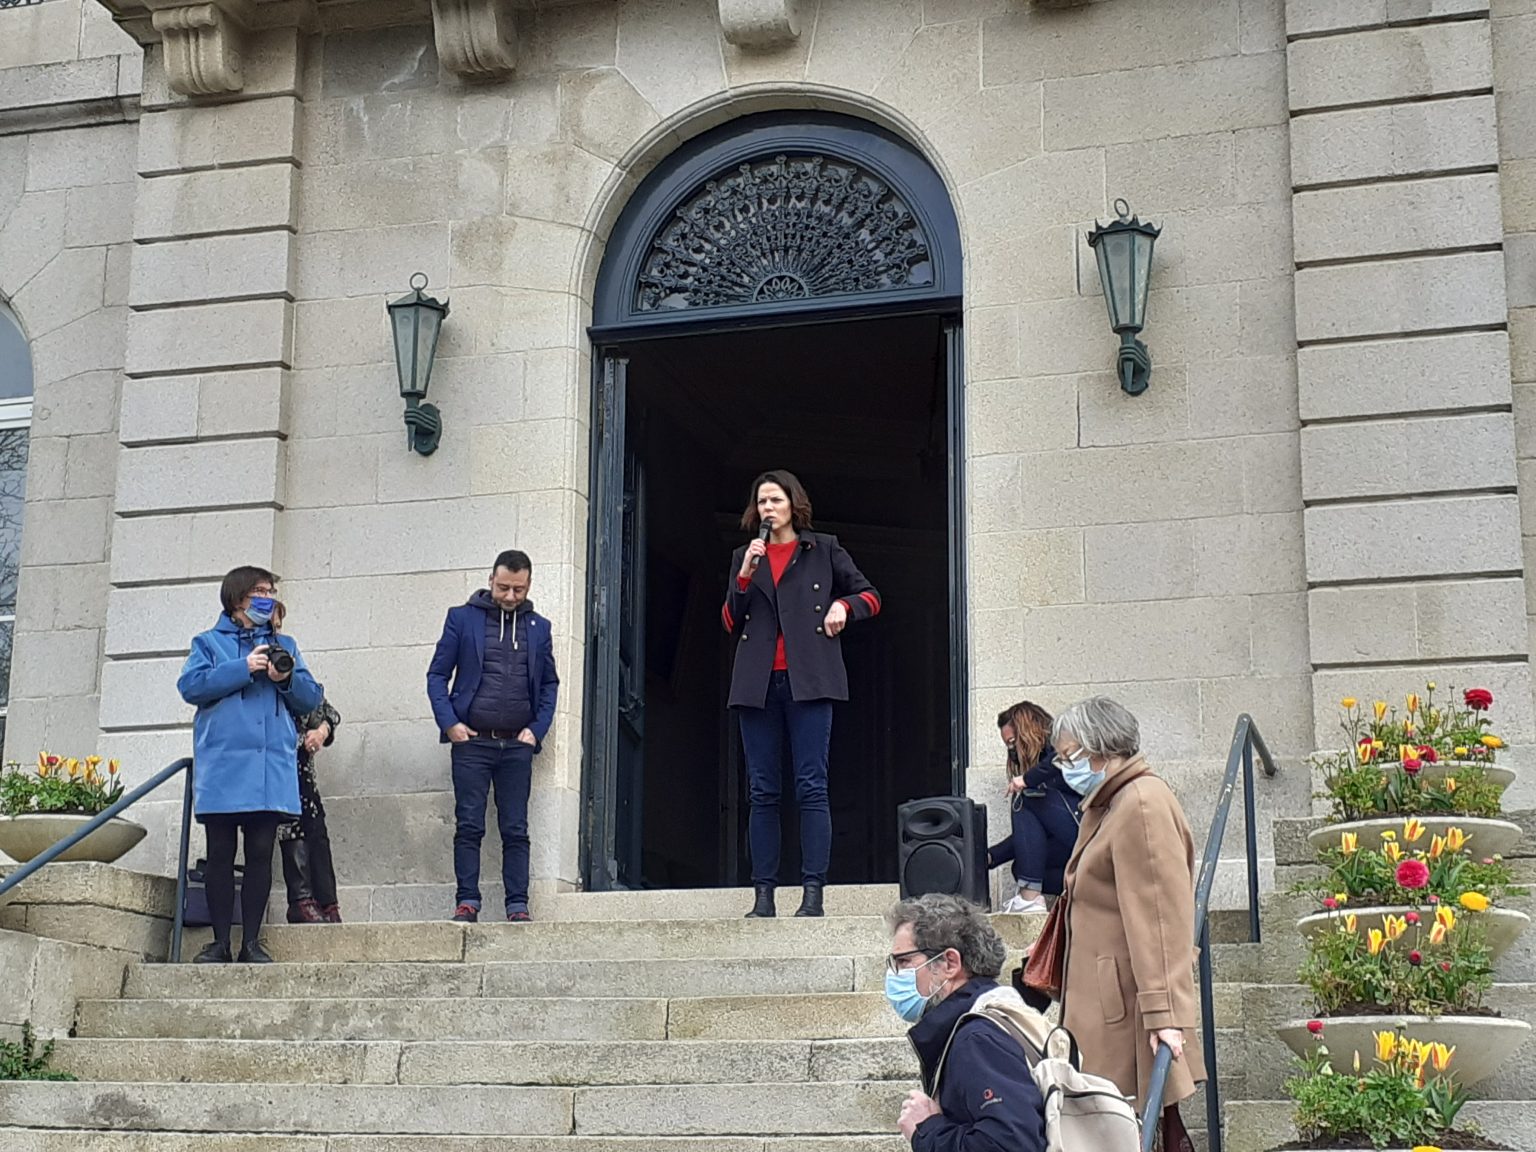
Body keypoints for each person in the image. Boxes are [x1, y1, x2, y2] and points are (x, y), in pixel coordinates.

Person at [722, 469, 881, 919]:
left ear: (793, 504)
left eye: (775, 500)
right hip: (757, 683)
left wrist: (842, 607)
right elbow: (731, 621)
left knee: (811, 787)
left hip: (810, 680)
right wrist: (745, 575)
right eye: (762, 502)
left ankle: (813, 893)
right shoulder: (743, 557)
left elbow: (871, 596)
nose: (768, 509)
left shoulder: (823, 548)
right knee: (763, 790)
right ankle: (763, 895)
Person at [1052, 696, 1205, 1152]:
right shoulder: (1113, 802)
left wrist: (1165, 1016)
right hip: (1105, 1001)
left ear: (1102, 747)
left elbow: (1160, 916)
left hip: (1125, 1006)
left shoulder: (1139, 803)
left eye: (1070, 754)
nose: (1064, 766)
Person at [177, 566, 324, 964]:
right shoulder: (207, 643)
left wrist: (283, 678)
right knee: (220, 855)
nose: (268, 596)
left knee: (261, 854)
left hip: (268, 769)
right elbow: (191, 686)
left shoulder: (286, 644)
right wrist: (244, 668)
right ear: (237, 598)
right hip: (224, 766)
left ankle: (252, 942)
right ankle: (220, 942)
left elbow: (312, 700)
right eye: (260, 590)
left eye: (271, 590)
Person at [427, 549, 559, 924]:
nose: (511, 596)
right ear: (491, 580)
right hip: (472, 742)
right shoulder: (461, 619)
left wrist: (536, 730)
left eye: (518, 589)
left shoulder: (539, 627)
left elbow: (549, 684)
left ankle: (518, 903)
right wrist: (450, 724)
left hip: (517, 745)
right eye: (504, 587)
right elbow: (437, 675)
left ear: (528, 584)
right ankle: (467, 901)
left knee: (516, 828)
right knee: (469, 825)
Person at [885, 893, 1047, 1152]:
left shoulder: (978, 1038)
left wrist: (927, 1129)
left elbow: (1012, 1146)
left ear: (950, 963)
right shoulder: (988, 1023)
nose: (894, 975)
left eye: (904, 961)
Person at [272, 598, 343, 924]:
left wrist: (323, 729)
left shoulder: (290, 661)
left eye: (278, 622)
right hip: (278, 761)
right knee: (291, 828)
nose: (275, 628)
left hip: (302, 766)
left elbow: (324, 707)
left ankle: (327, 902)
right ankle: (300, 900)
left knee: (316, 827)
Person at [986, 700, 1082, 915]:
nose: (1012, 751)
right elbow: (1027, 837)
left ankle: (1029, 898)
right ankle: (1081, 886)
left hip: (1089, 828)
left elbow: (1059, 759)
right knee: (1021, 866)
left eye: (1012, 743)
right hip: (1072, 847)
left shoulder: (1059, 745)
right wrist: (991, 857)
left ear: (1027, 731)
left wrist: (1026, 779)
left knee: (1025, 797)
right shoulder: (1040, 774)